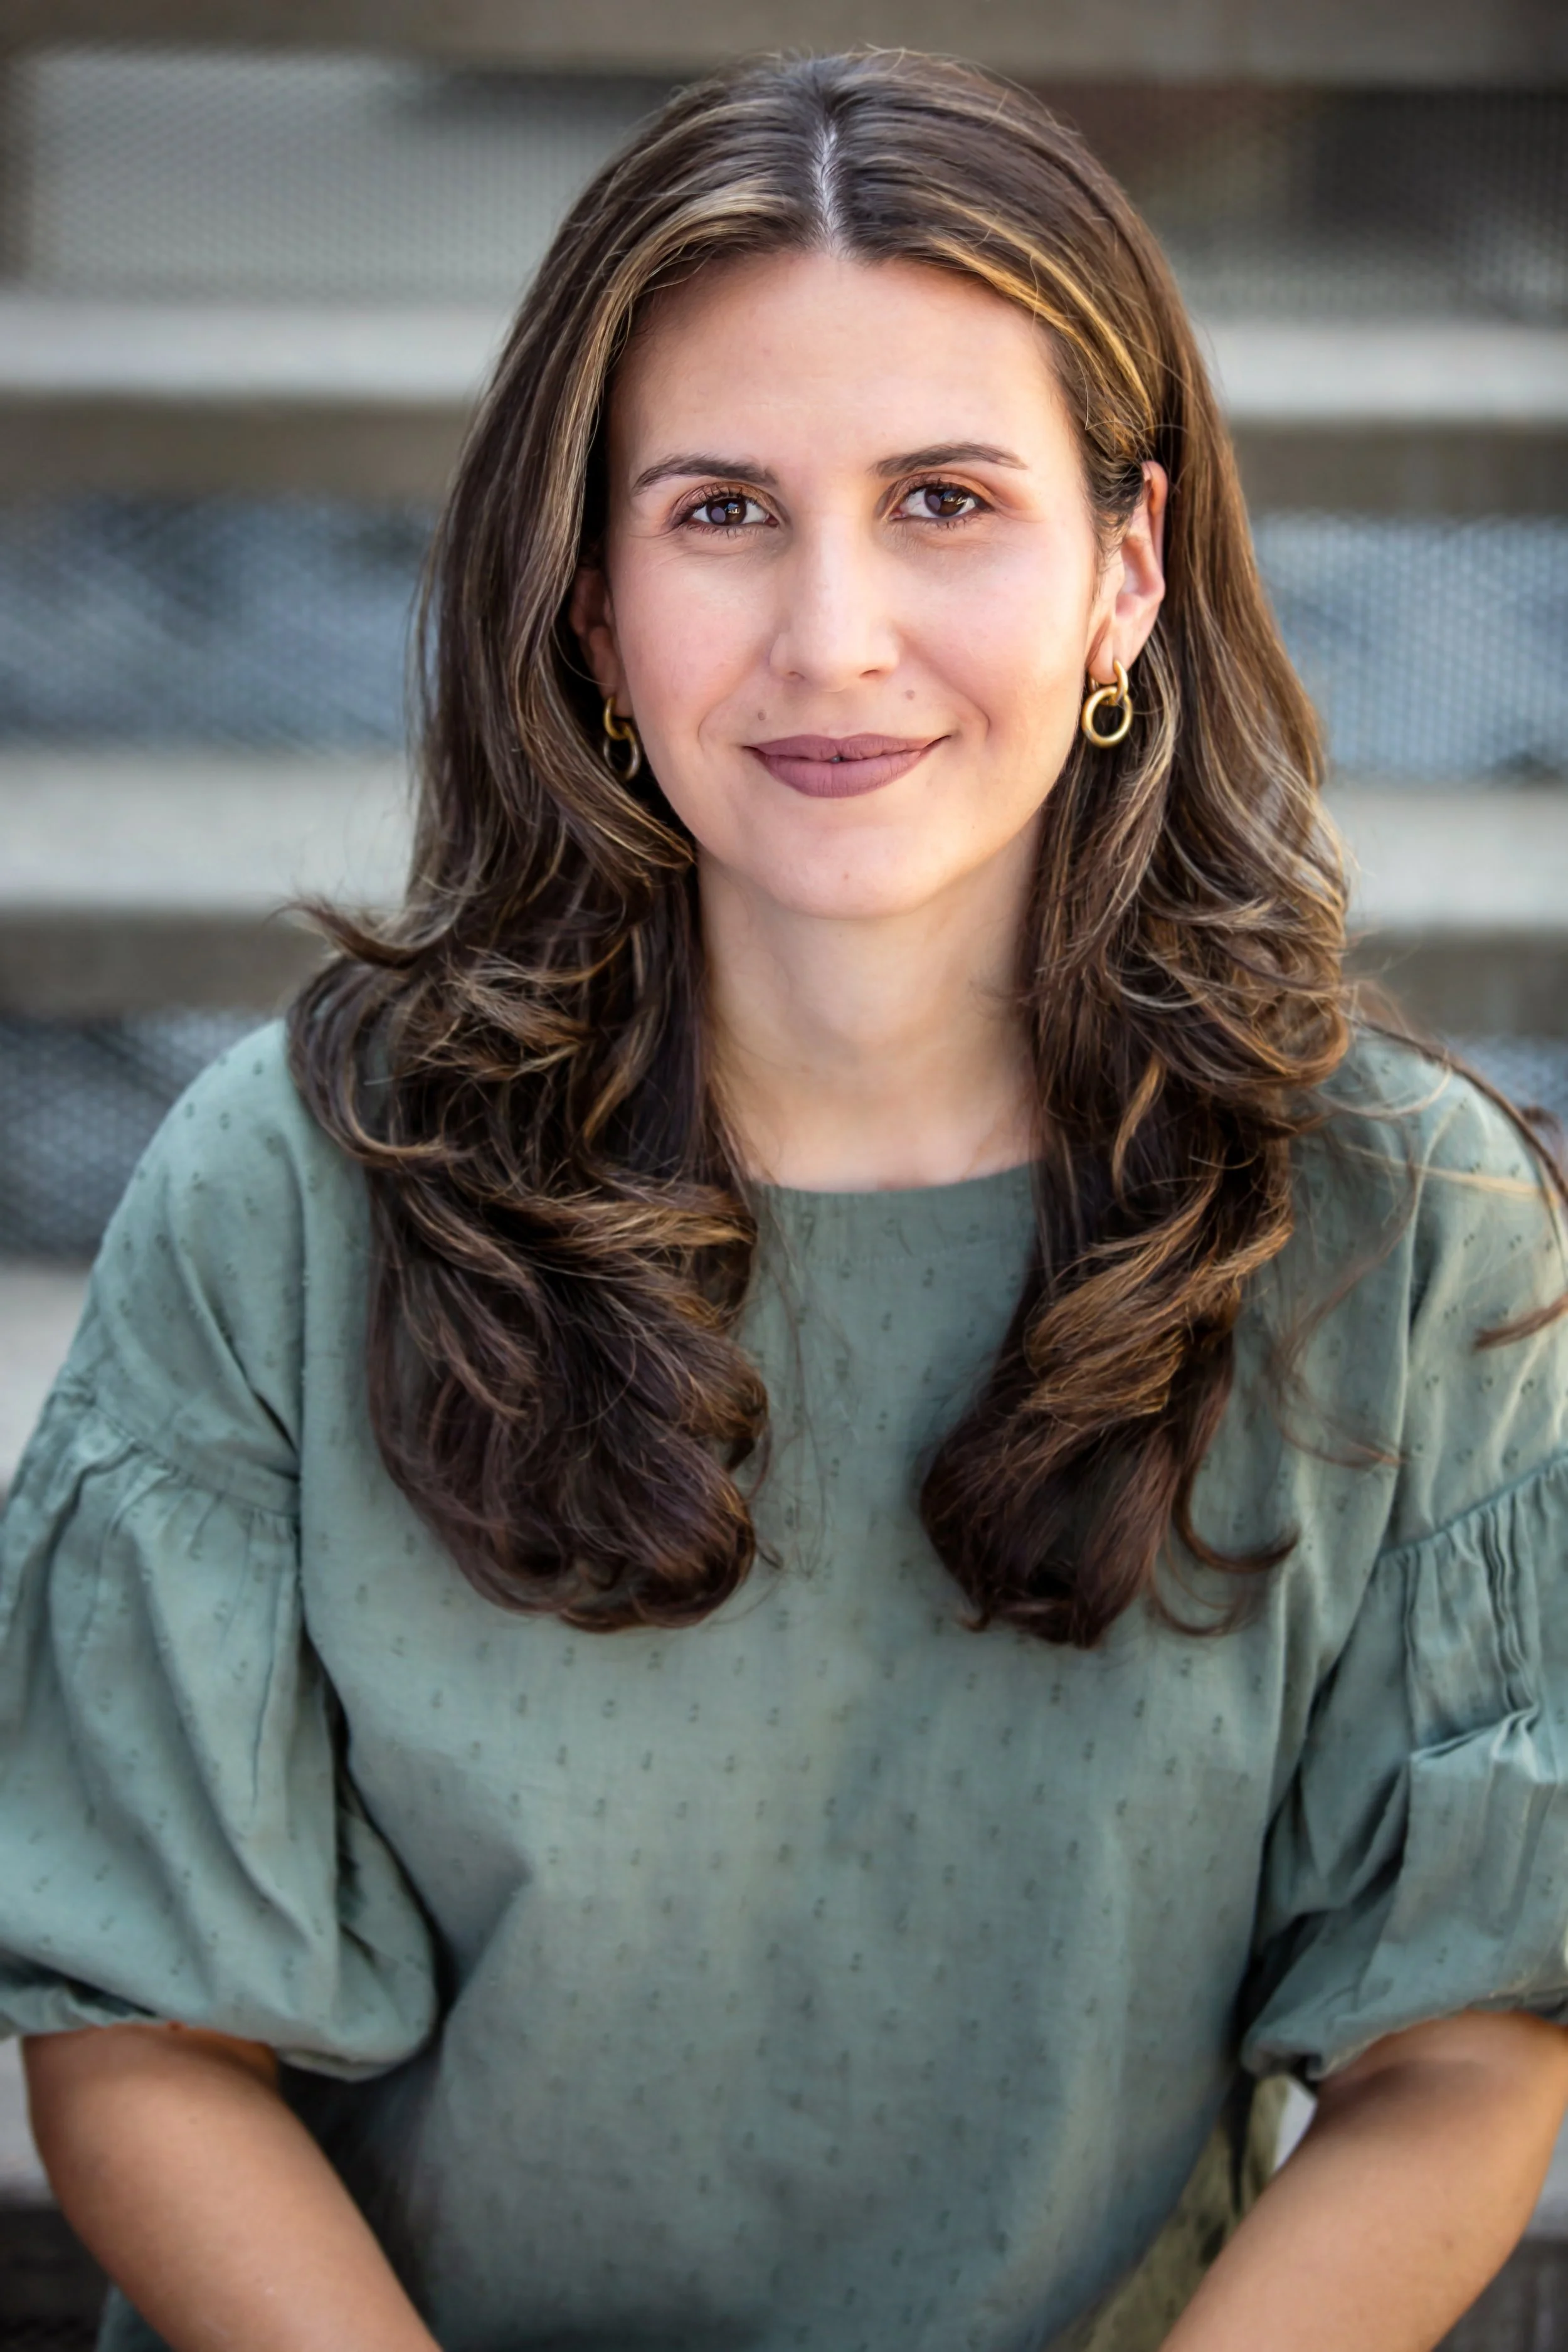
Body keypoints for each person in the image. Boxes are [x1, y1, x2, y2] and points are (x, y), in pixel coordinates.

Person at [4, 48, 1568, 2352]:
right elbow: (140, 2029)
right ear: (590, 594)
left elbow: (1460, 2033)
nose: (832, 633)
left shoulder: (1398, 1223)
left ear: (1124, 567)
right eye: (720, 511)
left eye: (944, 499)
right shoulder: (298, 1186)